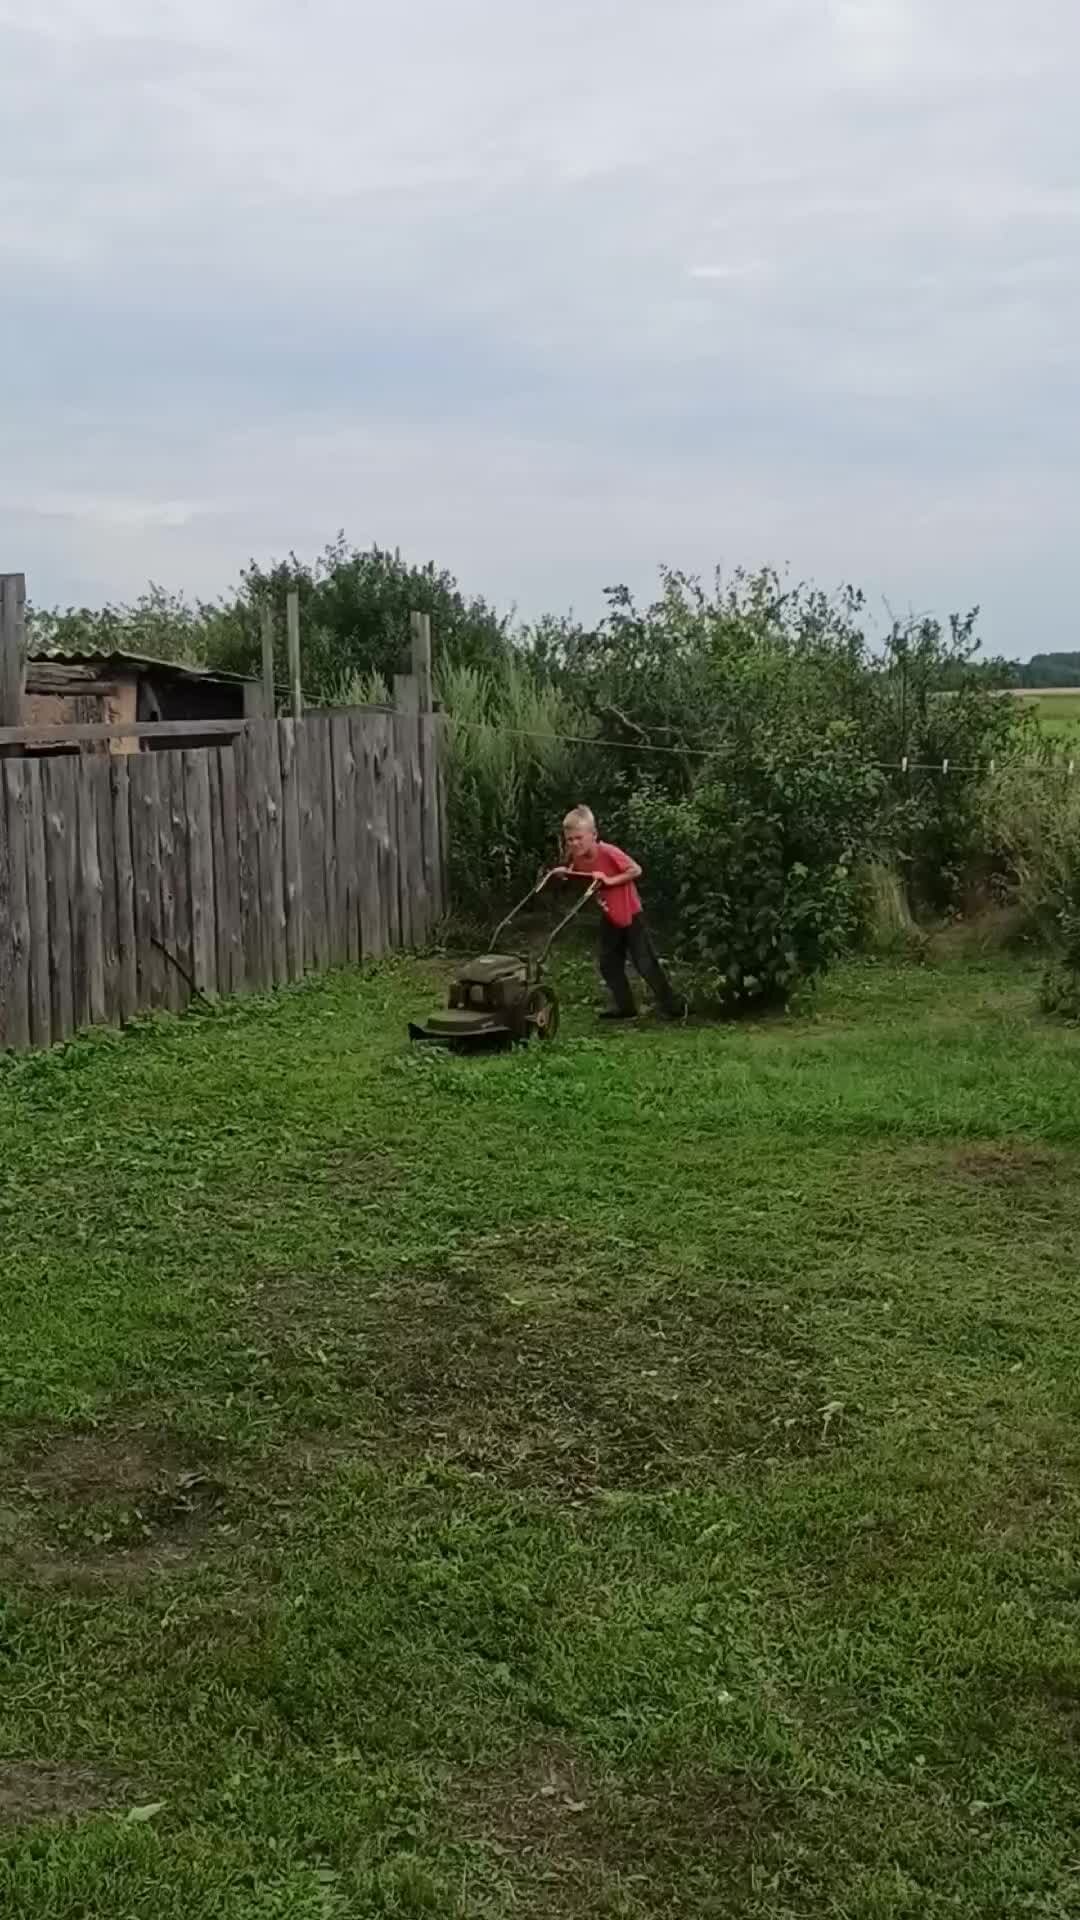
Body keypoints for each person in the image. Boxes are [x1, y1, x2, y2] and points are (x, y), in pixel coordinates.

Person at [550, 806, 686, 1021]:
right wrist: (564, 874)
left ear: (593, 835)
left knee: (645, 963)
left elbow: (635, 870)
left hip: (631, 914)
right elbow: (582, 877)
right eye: (569, 840)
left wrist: (609, 880)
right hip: (610, 915)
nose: (574, 844)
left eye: (579, 838)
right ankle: (626, 1008)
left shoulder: (608, 851)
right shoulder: (578, 858)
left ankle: (673, 1007)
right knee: (609, 964)